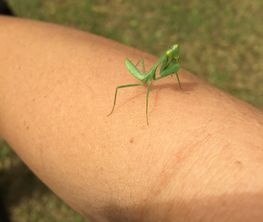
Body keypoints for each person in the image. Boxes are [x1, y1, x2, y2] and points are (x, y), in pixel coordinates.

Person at [0, 12, 262, 222]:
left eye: (173, 53)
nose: (173, 54)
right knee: (127, 88)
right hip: (135, 76)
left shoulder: (168, 66)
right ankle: (117, 107)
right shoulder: (159, 70)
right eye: (171, 53)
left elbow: (171, 68)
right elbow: (154, 80)